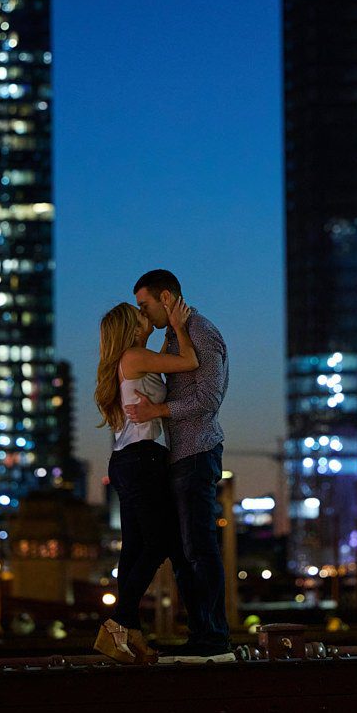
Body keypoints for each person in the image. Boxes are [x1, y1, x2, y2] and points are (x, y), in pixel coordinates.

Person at [124, 268, 234, 663]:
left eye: (145, 304)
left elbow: (209, 398)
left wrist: (160, 409)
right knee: (186, 553)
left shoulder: (201, 331)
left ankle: (215, 639)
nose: (143, 312)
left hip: (198, 452)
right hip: (179, 456)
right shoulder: (174, 336)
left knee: (200, 549)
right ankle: (202, 635)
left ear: (165, 298)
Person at [93, 297, 198, 664]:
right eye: (139, 313)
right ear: (131, 327)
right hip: (142, 459)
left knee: (136, 547)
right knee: (162, 540)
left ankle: (130, 632)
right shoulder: (134, 358)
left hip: (127, 461)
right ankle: (119, 623)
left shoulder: (129, 360)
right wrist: (180, 327)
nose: (145, 315)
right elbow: (189, 362)